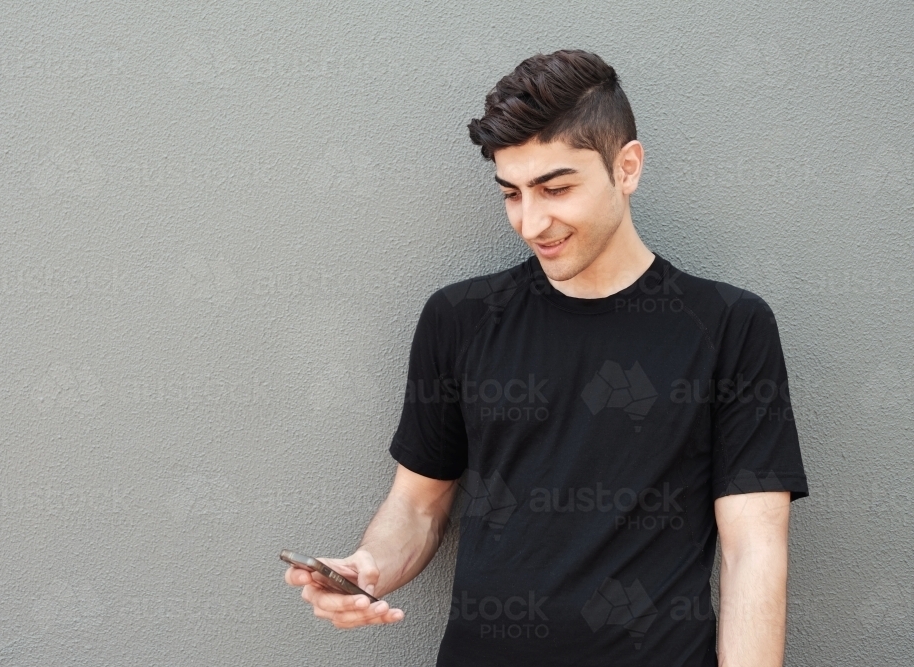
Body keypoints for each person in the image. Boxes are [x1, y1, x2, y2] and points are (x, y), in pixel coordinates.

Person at [284, 49, 808, 667]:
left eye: (556, 188)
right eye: (512, 193)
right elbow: (419, 506)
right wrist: (369, 568)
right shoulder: (460, 320)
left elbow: (754, 553)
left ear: (627, 168)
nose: (532, 222)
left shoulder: (729, 327)